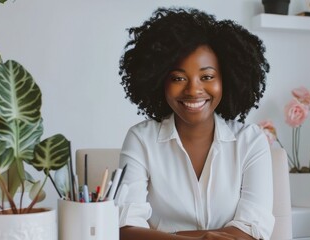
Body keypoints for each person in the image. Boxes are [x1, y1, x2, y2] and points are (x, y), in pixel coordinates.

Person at [116, 7, 274, 240]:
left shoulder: (250, 141)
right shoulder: (141, 139)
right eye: (178, 78)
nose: (193, 90)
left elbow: (252, 230)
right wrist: (204, 238)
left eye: (207, 77)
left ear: (226, 79)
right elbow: (125, 230)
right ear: (160, 81)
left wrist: (165, 235)